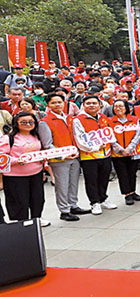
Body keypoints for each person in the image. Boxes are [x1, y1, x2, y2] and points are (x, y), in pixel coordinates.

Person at [38, 93, 88, 222]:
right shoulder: (45, 122)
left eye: (59, 102)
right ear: (48, 105)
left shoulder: (69, 118)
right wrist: (63, 155)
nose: (57, 105)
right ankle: (64, 210)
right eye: (53, 103)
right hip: (59, 159)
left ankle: (73, 205)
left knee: (73, 183)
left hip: (74, 156)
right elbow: (47, 144)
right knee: (62, 185)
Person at [0, 112, 50, 226]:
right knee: (19, 200)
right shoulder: (8, 138)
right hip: (15, 177)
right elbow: (2, 157)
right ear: (16, 123)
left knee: (37, 198)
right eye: (23, 122)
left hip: (36, 173)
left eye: (31, 122)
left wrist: (43, 159)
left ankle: (37, 218)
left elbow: (39, 152)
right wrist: (16, 160)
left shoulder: (36, 136)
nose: (28, 124)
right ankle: (21, 222)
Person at [72, 96, 117, 215]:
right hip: (89, 156)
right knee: (91, 180)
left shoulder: (103, 117)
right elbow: (79, 139)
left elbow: (110, 134)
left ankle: (103, 198)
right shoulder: (78, 120)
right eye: (88, 103)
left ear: (99, 105)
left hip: (105, 154)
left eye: (94, 103)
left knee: (104, 178)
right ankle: (94, 202)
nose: (91, 105)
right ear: (83, 105)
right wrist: (94, 148)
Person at [108, 99, 140, 205]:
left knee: (132, 172)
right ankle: (127, 194)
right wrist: (120, 149)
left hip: (133, 151)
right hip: (118, 153)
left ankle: (133, 191)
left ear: (126, 108)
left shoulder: (134, 119)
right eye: (116, 106)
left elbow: (138, 135)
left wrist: (129, 148)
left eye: (121, 106)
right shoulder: (110, 121)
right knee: (122, 174)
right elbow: (110, 136)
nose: (118, 108)